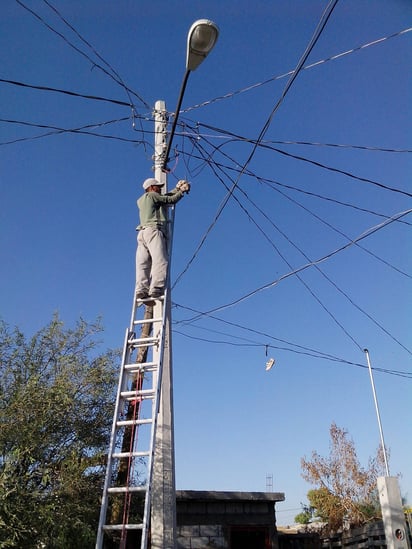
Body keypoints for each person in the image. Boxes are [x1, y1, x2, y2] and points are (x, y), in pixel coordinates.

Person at [135, 177, 190, 300]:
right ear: (151, 188)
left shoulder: (142, 200)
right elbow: (169, 199)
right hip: (154, 231)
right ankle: (156, 287)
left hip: (142, 233)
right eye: (158, 187)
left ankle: (141, 289)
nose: (160, 189)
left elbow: (163, 198)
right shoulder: (153, 195)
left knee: (143, 263)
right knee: (160, 260)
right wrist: (181, 192)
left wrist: (176, 189)